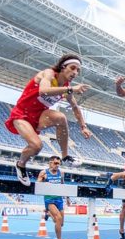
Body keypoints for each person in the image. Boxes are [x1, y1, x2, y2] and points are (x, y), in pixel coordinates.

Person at [5, 53, 92, 186]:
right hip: (21, 114)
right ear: (63, 67)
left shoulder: (66, 87)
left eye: (78, 70)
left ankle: (65, 156)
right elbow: (43, 91)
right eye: (72, 68)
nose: (75, 72)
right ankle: (21, 164)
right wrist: (71, 89)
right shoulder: (49, 73)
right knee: (36, 146)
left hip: (39, 116)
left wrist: (83, 126)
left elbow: (75, 107)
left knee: (61, 117)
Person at [37, 156, 68, 239]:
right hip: (49, 199)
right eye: (55, 163)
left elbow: (63, 185)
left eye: (59, 163)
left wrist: (68, 198)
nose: (57, 165)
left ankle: (49, 214)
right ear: (50, 163)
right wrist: (43, 180)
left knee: (60, 223)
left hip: (59, 199)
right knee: (58, 218)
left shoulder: (61, 173)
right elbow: (37, 185)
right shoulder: (43, 172)